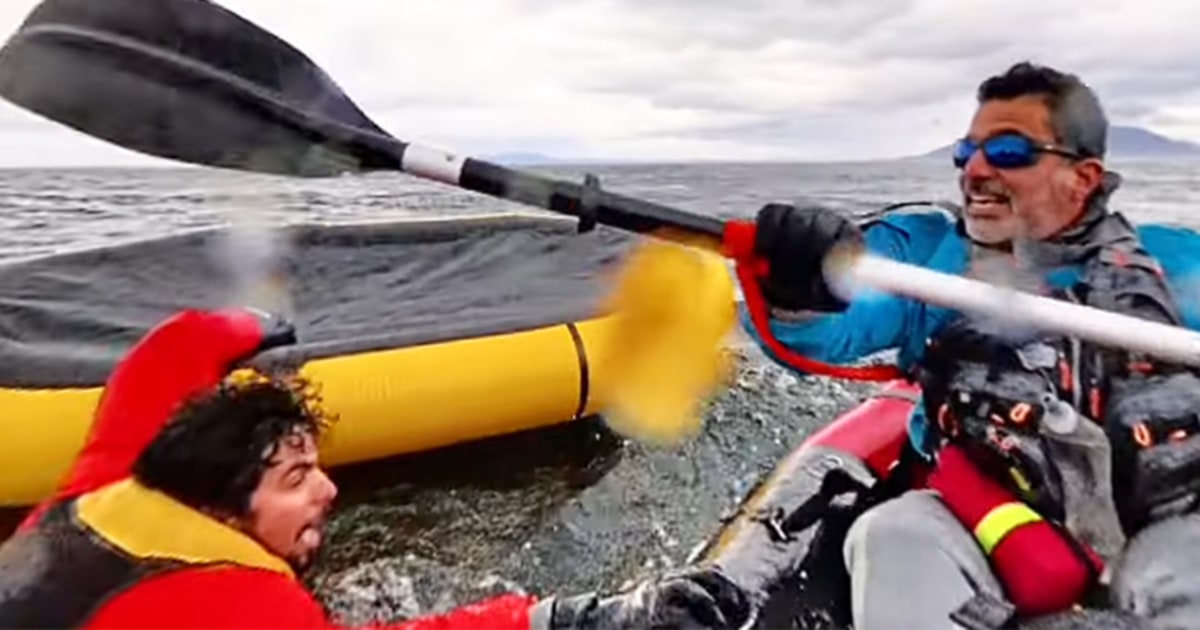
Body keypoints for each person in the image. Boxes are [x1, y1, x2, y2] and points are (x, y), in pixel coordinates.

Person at [728, 61, 1200, 629]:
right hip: (977, 514)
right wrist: (797, 289)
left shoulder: (1175, 265)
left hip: (1156, 525)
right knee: (891, 534)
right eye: (965, 152)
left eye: (1006, 153)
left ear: (1083, 177)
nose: (974, 170)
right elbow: (831, 328)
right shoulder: (927, 258)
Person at [0, 307, 750, 629]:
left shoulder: (100, 486)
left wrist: (242, 328)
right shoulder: (245, 608)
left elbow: (162, 358)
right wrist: (583, 617)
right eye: (295, 479)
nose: (329, 488)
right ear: (223, 511)